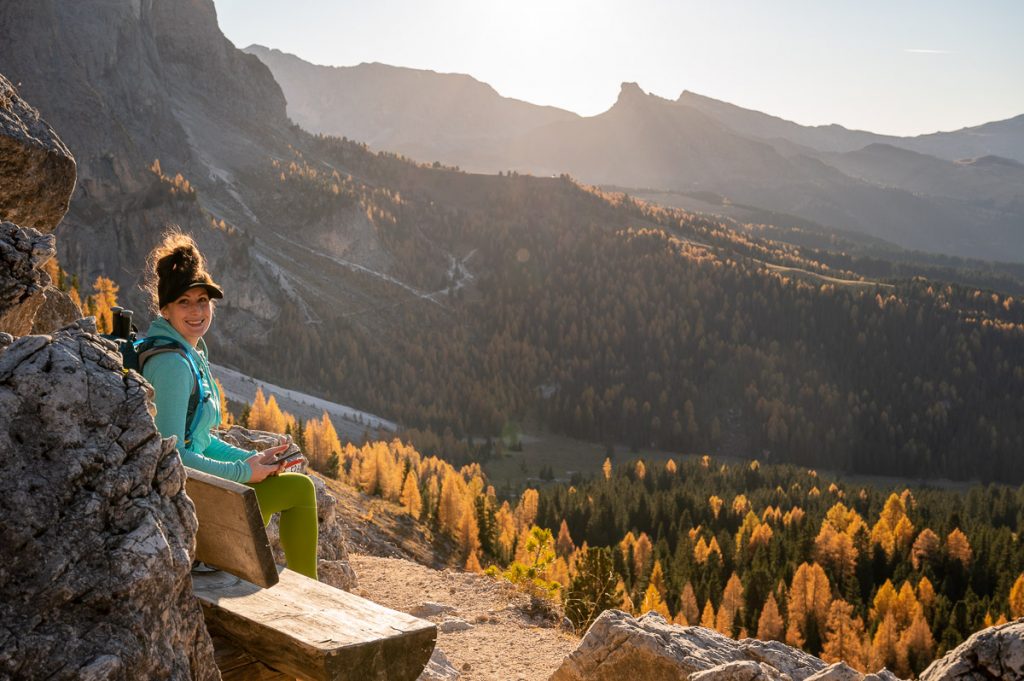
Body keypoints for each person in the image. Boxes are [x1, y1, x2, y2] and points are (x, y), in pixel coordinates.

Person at [141, 229, 318, 579]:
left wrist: (250, 461)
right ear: (165, 308)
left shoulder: (188, 353)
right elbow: (171, 455)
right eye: (184, 302)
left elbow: (201, 440)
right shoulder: (172, 365)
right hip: (187, 510)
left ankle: (306, 590)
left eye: (202, 300)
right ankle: (310, 596)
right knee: (299, 491)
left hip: (201, 494)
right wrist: (242, 474)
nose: (197, 311)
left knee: (299, 487)